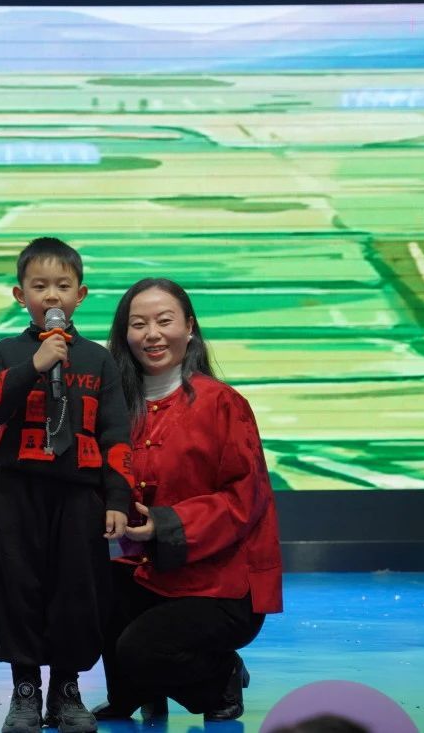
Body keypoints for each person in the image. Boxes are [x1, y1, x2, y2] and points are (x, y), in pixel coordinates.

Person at [97, 277, 282, 723]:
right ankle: (130, 693)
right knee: (90, 591)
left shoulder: (223, 404)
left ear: (190, 327)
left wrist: (165, 524)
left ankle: (221, 679)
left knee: (142, 649)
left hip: (221, 584)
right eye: (138, 324)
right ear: (124, 334)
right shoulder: (116, 408)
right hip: (149, 572)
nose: (152, 334)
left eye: (165, 321)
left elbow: (244, 498)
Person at [0, 237, 134, 733]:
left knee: (76, 590)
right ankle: (25, 690)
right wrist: (35, 366)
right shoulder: (8, 351)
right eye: (39, 286)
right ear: (20, 295)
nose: (52, 296)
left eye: (62, 286)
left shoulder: (98, 359)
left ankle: (66, 689)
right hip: (16, 491)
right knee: (17, 586)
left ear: (80, 295)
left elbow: (115, 433)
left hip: (79, 494)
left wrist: (118, 498)